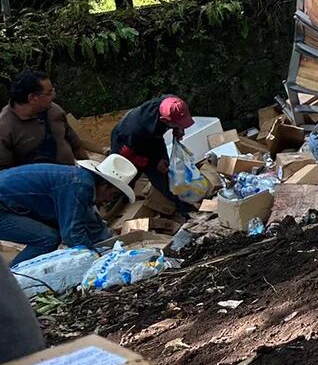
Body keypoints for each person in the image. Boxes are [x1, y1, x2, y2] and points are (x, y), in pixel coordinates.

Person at [0, 154, 136, 266]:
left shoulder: (80, 181)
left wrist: (113, 242)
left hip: (8, 202)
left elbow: (90, 223)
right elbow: (72, 234)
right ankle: (13, 282)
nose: (109, 201)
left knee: (50, 234)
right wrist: (96, 259)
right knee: (47, 239)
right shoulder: (80, 186)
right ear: (105, 186)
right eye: (113, 195)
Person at [110, 95, 197, 215]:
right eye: (176, 124)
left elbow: (174, 122)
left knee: (167, 171)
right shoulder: (134, 130)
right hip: (127, 147)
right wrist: (154, 163)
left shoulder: (171, 103)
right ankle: (116, 208)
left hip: (154, 139)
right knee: (127, 178)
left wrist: (179, 128)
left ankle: (185, 205)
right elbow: (128, 155)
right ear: (164, 120)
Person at [1, 70, 90, 170]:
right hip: (36, 184)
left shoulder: (54, 111)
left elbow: (76, 146)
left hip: (72, 178)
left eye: (53, 90)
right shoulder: (4, 128)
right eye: (49, 93)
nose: (54, 96)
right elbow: (5, 175)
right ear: (32, 98)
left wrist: (92, 173)